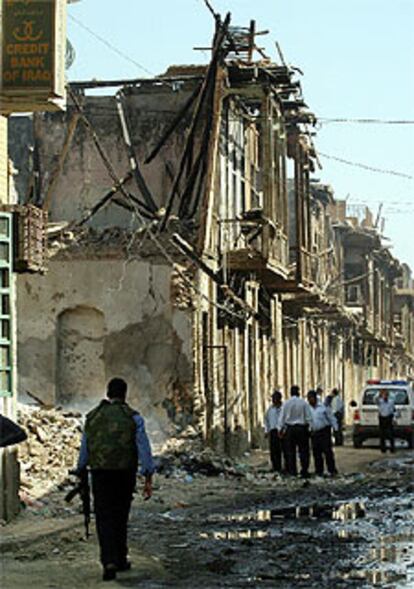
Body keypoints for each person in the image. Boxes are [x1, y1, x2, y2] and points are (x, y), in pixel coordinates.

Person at [76, 378, 155, 582]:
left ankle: (108, 560)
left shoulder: (93, 417)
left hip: (100, 473)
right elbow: (143, 448)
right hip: (124, 473)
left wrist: (80, 469)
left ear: (108, 393)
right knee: (121, 514)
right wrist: (148, 474)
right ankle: (120, 558)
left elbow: (85, 447)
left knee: (103, 516)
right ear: (124, 394)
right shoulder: (133, 418)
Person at [278, 385, 313, 478]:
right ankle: (304, 470)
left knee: (290, 451)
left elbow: (282, 418)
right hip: (302, 429)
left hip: (290, 429)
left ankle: (293, 471)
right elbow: (309, 417)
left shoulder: (286, 403)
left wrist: (280, 429)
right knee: (304, 451)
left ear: (290, 392)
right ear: (298, 392)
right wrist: (310, 428)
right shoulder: (303, 403)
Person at [307, 390, 338, 477]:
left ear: (315, 398)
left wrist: (335, 428)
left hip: (324, 431)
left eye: (311, 398)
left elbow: (331, 418)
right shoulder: (307, 409)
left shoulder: (323, 407)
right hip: (314, 433)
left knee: (327, 452)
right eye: (308, 398)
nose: (310, 400)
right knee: (317, 453)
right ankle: (319, 471)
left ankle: (332, 470)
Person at [264, 390, 286, 473]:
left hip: (282, 431)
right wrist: (267, 430)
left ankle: (286, 467)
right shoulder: (270, 409)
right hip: (273, 431)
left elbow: (287, 419)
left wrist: (283, 429)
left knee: (284, 450)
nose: (273, 400)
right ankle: (276, 467)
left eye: (275, 398)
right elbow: (266, 420)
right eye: (273, 398)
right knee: (274, 451)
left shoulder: (284, 408)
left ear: (279, 399)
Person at [376, 389, 395, 453]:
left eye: (386, 395)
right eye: (384, 395)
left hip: (389, 418)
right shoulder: (380, 401)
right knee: (382, 434)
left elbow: (392, 410)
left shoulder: (391, 401)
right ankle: (383, 449)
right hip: (382, 418)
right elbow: (375, 399)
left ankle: (392, 448)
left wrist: (393, 419)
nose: (385, 396)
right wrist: (379, 394)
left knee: (390, 434)